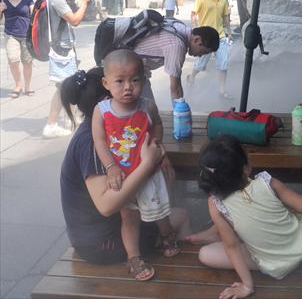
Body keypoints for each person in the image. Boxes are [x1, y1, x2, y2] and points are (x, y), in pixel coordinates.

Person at [60, 67, 190, 280]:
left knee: (162, 209)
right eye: (119, 85)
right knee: (181, 216)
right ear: (105, 100)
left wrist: (158, 153)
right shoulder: (93, 143)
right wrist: (148, 164)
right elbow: (107, 205)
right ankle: (178, 279)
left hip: (96, 232)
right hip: (102, 242)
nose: (129, 92)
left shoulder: (101, 129)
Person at [91, 50, 183, 279]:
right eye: (119, 81)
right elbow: (99, 141)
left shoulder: (147, 106)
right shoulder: (101, 111)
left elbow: (158, 125)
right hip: (123, 176)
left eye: (135, 80)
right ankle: (133, 257)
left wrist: (155, 143)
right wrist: (111, 167)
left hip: (149, 172)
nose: (128, 87)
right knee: (129, 217)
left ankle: (167, 236)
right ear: (106, 83)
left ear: (144, 80)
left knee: (161, 210)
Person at [190, 135, 302, 299]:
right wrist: (280, 209)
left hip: (276, 265)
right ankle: (215, 232)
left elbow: (232, 247)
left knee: (205, 254)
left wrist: (247, 286)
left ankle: (215, 234)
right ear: (245, 168)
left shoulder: (216, 204)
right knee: (244, 223)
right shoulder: (267, 182)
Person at [41, 0, 94, 138]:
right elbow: (75, 20)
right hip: (62, 49)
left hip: (56, 47)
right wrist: (85, 3)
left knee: (65, 85)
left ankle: (70, 117)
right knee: (65, 87)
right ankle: (51, 124)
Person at [132, 23, 219, 103]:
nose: (200, 56)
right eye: (203, 52)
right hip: (128, 70)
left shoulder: (179, 27)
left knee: (149, 109)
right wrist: (181, 113)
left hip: (137, 71)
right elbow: (175, 89)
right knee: (146, 111)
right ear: (197, 40)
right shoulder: (177, 46)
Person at [187, 0, 233, 99]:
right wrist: (195, 29)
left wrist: (229, 33)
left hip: (220, 36)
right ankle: (191, 77)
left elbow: (226, 16)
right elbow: (194, 14)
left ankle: (222, 91)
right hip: (206, 38)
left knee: (223, 64)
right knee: (201, 64)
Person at [0, 0, 34, 98]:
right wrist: (0, 9)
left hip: (26, 35)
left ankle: (28, 86)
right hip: (10, 35)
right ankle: (18, 85)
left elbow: (33, 12)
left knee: (27, 61)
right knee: (13, 60)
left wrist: (34, 8)